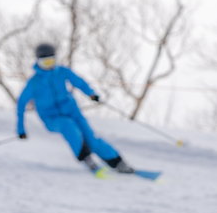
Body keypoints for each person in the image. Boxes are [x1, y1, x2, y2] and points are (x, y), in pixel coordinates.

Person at [15, 43, 135, 177]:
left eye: (51, 61)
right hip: (52, 118)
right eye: (45, 62)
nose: (49, 65)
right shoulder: (34, 83)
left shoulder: (62, 72)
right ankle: (87, 159)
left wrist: (91, 93)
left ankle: (117, 162)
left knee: (91, 138)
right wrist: (21, 130)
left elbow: (78, 82)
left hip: (73, 112)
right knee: (69, 127)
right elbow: (21, 105)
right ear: (38, 61)